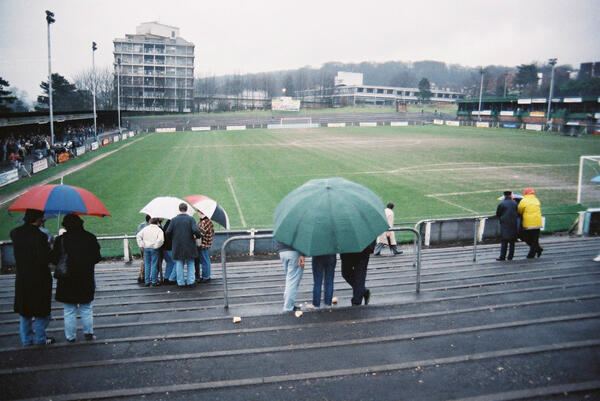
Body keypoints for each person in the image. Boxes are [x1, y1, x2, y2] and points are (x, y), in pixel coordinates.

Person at [51, 214, 101, 342]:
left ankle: (70, 337)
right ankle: (88, 333)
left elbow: (54, 259)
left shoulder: (60, 240)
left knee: (69, 310)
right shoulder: (90, 238)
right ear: (81, 223)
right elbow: (97, 258)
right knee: (86, 308)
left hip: (66, 279)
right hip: (85, 278)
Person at [11, 209, 55, 346]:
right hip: (39, 277)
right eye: (42, 218)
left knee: (25, 311)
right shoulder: (40, 236)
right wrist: (50, 246)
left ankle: (26, 339)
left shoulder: (15, 233)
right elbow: (45, 258)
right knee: (42, 311)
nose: (43, 220)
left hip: (23, 277)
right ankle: (40, 338)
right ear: (37, 219)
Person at [166, 203, 201, 287]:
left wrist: (173, 238)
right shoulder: (191, 219)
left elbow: (168, 232)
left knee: (179, 263)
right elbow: (195, 230)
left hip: (177, 245)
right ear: (186, 209)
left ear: (179, 209)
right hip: (189, 245)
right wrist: (198, 236)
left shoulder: (173, 220)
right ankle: (190, 282)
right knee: (190, 263)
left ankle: (180, 282)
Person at [341, 241, 375, 306]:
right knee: (346, 273)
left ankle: (356, 302)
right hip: (347, 250)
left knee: (359, 275)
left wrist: (370, 247)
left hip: (363, 249)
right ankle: (363, 291)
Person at [136, 218, 165, 287]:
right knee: (154, 265)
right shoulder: (159, 230)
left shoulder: (145, 229)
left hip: (146, 248)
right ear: (157, 222)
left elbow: (138, 236)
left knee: (147, 264)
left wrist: (141, 245)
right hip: (154, 249)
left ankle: (147, 281)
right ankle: (154, 281)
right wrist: (156, 246)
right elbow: (161, 240)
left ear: (150, 222)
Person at [277, 241, 305, 312]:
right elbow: (302, 237)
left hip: (282, 251)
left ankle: (289, 303)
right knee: (292, 281)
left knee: (289, 279)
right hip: (294, 252)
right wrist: (302, 254)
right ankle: (288, 306)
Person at [518, 187, 544, 259]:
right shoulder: (536, 200)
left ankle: (531, 255)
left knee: (526, 238)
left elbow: (519, 210)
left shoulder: (524, 200)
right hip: (537, 222)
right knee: (535, 239)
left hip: (528, 223)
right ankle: (537, 249)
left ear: (525, 193)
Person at [495, 191, 518, 261]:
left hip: (505, 224)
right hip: (513, 224)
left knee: (504, 241)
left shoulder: (502, 203)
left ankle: (502, 256)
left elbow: (498, 214)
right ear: (510, 195)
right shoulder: (515, 203)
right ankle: (510, 257)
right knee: (512, 242)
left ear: (504, 195)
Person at [195, 213, 215, 283]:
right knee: (206, 260)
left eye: (200, 212)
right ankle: (207, 276)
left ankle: (206, 277)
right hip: (206, 244)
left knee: (205, 261)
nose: (198, 214)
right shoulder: (208, 221)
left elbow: (200, 234)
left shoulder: (204, 222)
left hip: (203, 244)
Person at [135, 215, 151, 283]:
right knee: (148, 262)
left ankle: (141, 276)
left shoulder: (141, 225)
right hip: (149, 246)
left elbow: (137, 235)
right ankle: (143, 276)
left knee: (144, 261)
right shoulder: (151, 226)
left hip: (142, 246)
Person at [161, 220, 177, 285]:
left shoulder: (166, 225)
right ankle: (171, 278)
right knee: (178, 263)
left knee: (170, 263)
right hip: (171, 248)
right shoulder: (173, 225)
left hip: (165, 248)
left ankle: (166, 278)